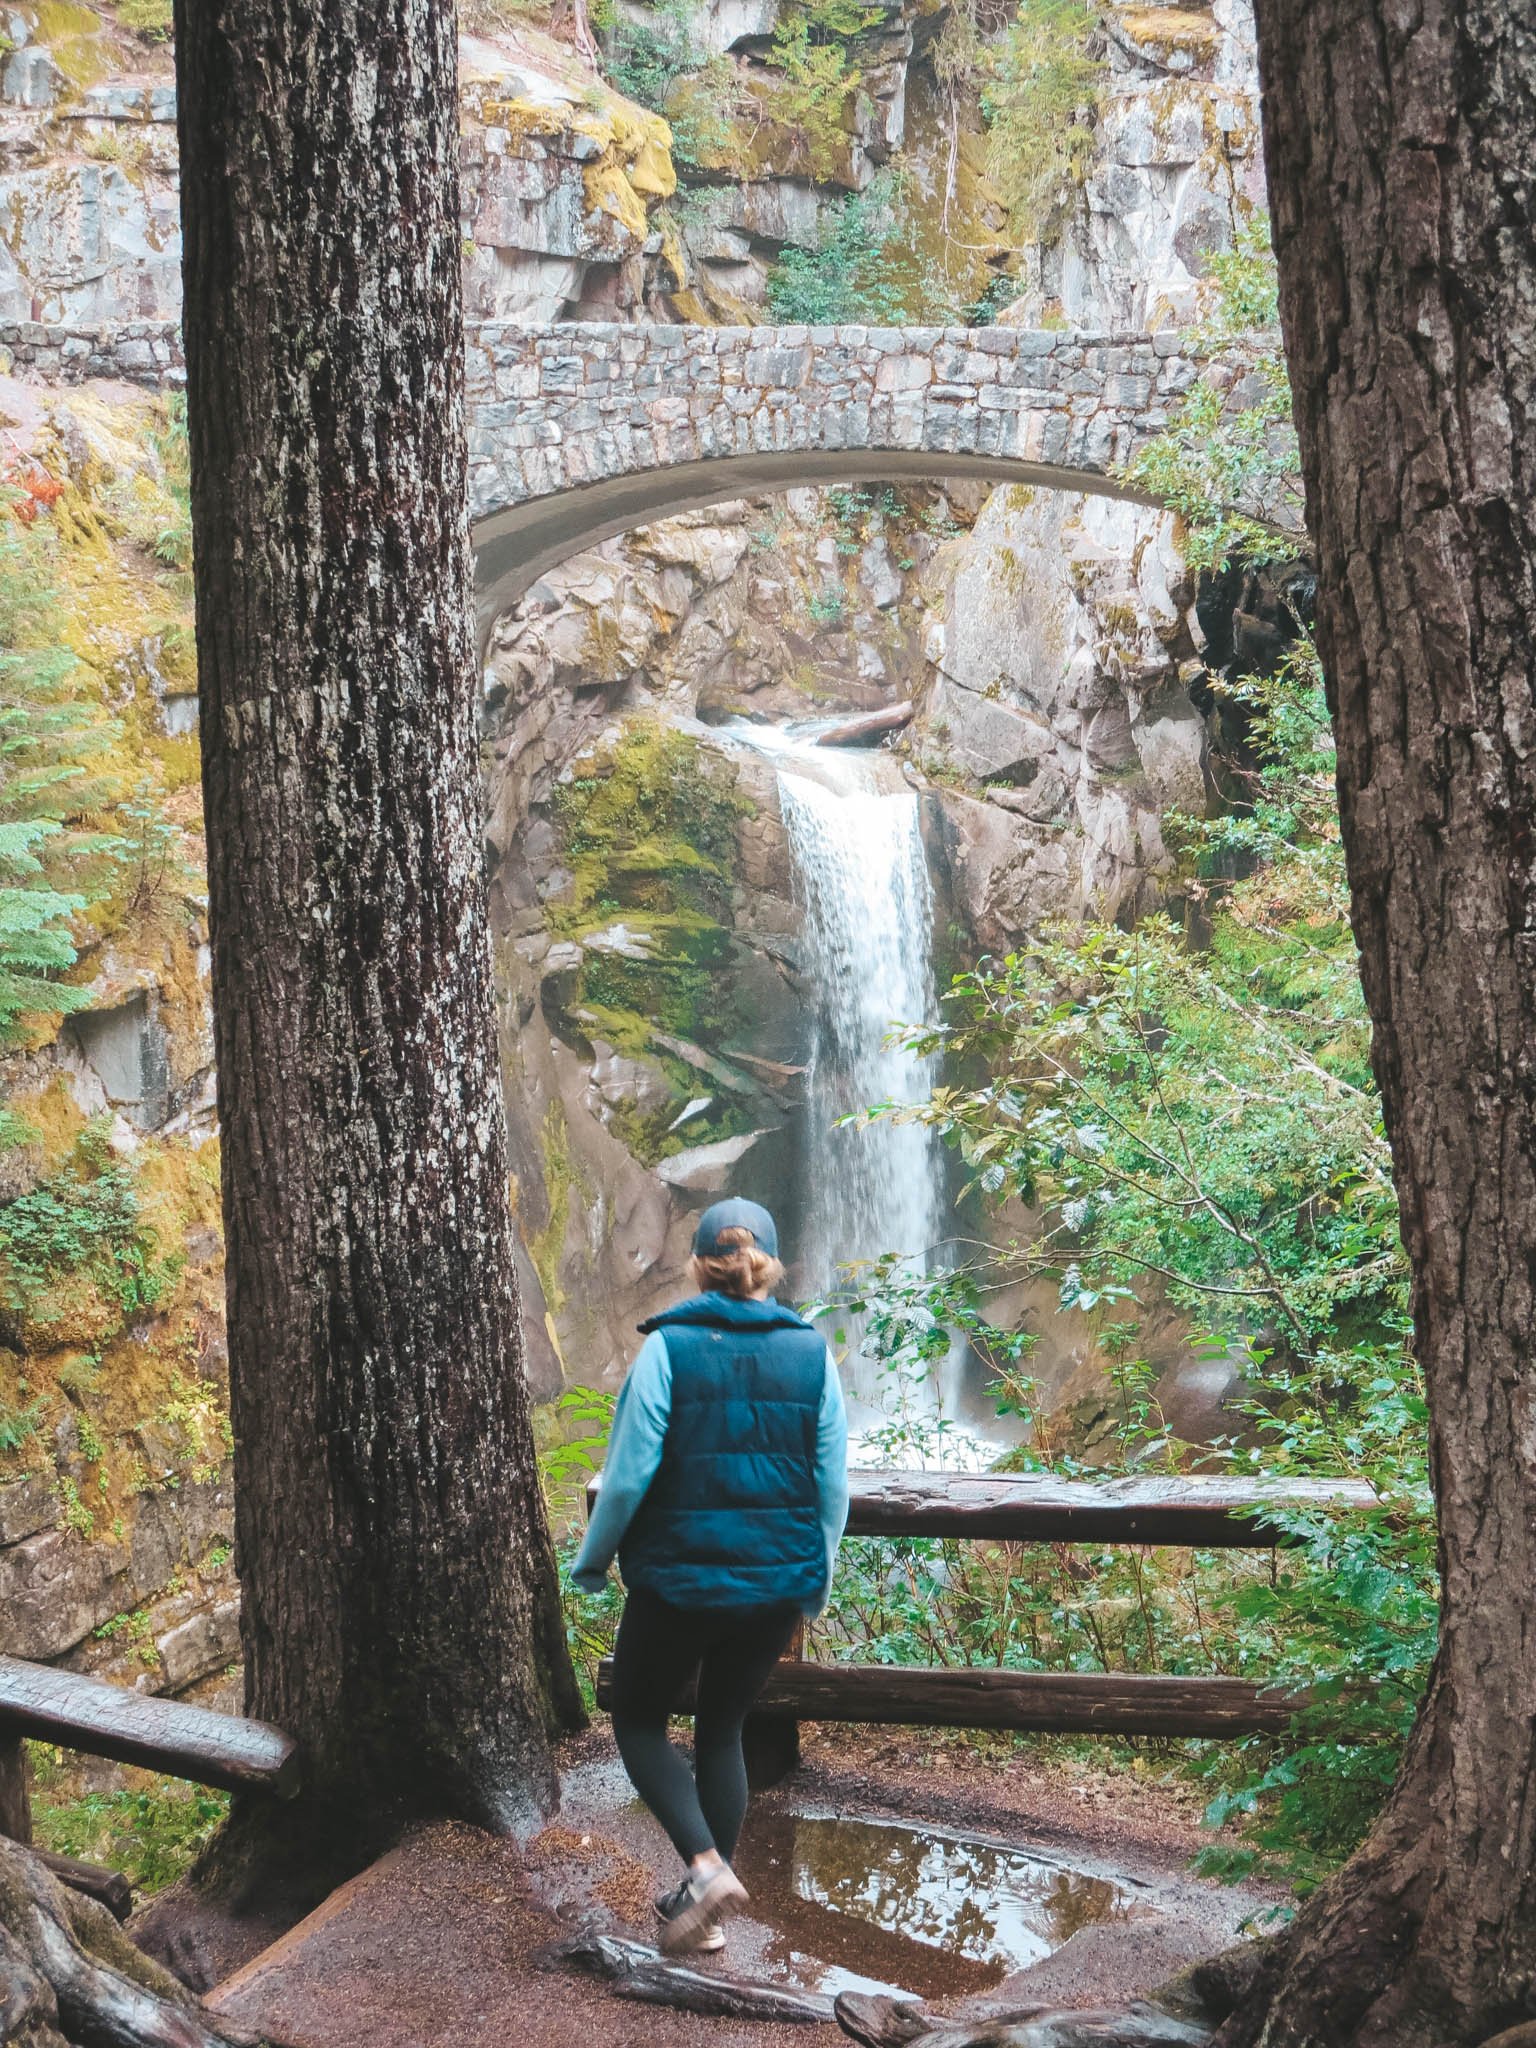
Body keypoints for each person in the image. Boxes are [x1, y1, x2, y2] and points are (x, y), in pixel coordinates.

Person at [569, 1197, 849, 1957]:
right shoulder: (811, 1352)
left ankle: (703, 1871)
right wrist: (813, 1583)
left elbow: (625, 1479)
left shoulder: (668, 1349)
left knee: (636, 1720)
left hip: (680, 1583)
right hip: (775, 1588)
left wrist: (593, 1560)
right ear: (772, 1266)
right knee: (722, 1727)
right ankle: (708, 1916)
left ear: (697, 1265)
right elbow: (832, 1490)